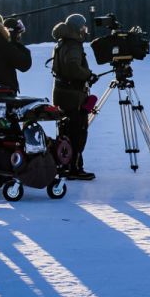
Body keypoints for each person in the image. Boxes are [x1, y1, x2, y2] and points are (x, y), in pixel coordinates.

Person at [51, 13, 97, 181]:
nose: (85, 30)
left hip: (61, 93)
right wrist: (88, 75)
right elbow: (72, 67)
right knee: (78, 132)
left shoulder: (62, 42)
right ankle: (74, 168)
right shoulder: (73, 45)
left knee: (65, 131)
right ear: (78, 28)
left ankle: (65, 164)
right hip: (73, 96)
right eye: (84, 27)